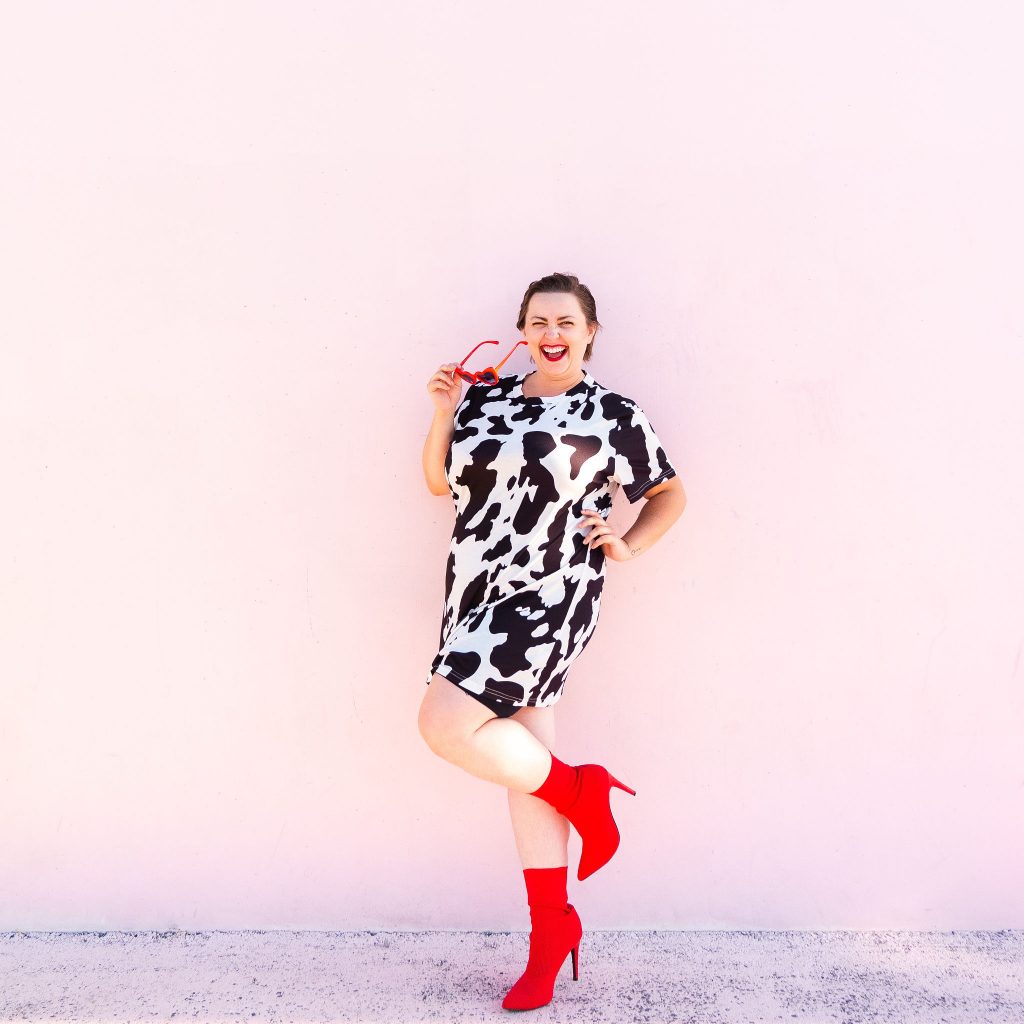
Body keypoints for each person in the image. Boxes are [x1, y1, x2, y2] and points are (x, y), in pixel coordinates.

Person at [417, 272, 687, 1011]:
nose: (552, 332)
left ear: (589, 332)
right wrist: (443, 412)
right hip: (473, 591)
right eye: (538, 321)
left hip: (552, 594)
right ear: (523, 330)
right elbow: (440, 483)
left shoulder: (612, 414)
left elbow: (669, 493)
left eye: (566, 321)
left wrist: (627, 545)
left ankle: (581, 790)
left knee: (443, 724)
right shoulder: (487, 398)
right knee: (520, 756)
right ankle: (551, 933)